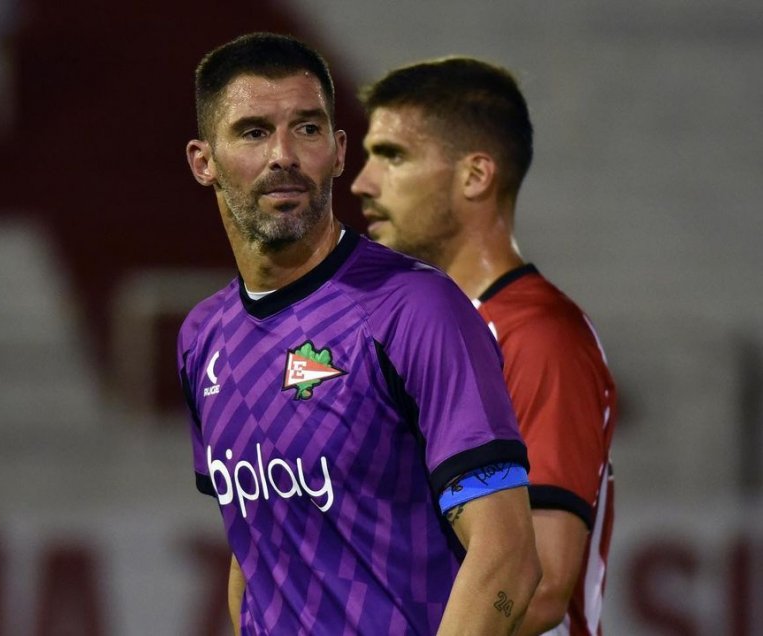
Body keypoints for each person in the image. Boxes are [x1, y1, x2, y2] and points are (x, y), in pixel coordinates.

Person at [177, 33, 541, 635]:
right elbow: (255, 550)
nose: (284, 155)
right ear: (203, 161)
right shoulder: (202, 338)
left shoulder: (415, 308)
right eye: (253, 132)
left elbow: (508, 559)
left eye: (307, 128)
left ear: (339, 150)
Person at [351, 57, 617, 636]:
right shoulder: (410, 331)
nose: (362, 182)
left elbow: (539, 587)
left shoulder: (539, 336)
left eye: (392, 155)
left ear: (475, 176)